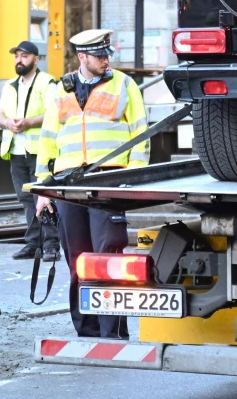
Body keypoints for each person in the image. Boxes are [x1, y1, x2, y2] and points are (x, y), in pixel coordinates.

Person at [34, 29, 150, 339]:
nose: (106, 60)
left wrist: (134, 179)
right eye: (100, 55)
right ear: (82, 58)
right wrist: (43, 190)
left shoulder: (125, 85)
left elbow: (140, 133)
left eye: (107, 54)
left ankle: (113, 329)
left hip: (110, 183)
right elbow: (47, 141)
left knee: (109, 256)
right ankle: (86, 329)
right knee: (78, 258)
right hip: (69, 185)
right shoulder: (60, 90)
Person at [0, 41, 59, 262]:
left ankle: (51, 245)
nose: (19, 60)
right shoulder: (10, 86)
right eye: (17, 56)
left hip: (40, 152)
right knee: (26, 199)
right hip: (17, 150)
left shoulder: (47, 83)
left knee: (46, 198)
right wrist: (7, 123)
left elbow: (55, 114)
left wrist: (29, 122)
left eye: (24, 56)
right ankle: (33, 243)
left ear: (35, 59)